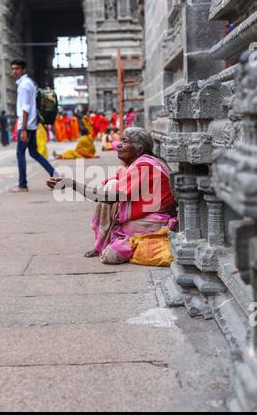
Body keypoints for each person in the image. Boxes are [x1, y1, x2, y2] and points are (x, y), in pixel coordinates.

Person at [47, 127, 177, 264]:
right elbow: (108, 189)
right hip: (148, 216)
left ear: (139, 150)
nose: (119, 145)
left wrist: (72, 184)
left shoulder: (145, 166)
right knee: (111, 185)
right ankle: (103, 242)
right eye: (120, 140)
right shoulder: (137, 165)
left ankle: (113, 241)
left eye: (125, 141)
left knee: (111, 255)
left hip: (156, 220)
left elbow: (108, 197)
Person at [10, 58, 55, 192]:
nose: (14, 71)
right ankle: (55, 175)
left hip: (26, 126)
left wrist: (23, 129)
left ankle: (22, 184)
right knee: (34, 153)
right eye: (12, 69)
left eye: (17, 69)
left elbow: (26, 108)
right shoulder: (30, 83)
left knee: (20, 154)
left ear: (23, 70)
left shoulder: (24, 85)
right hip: (32, 124)